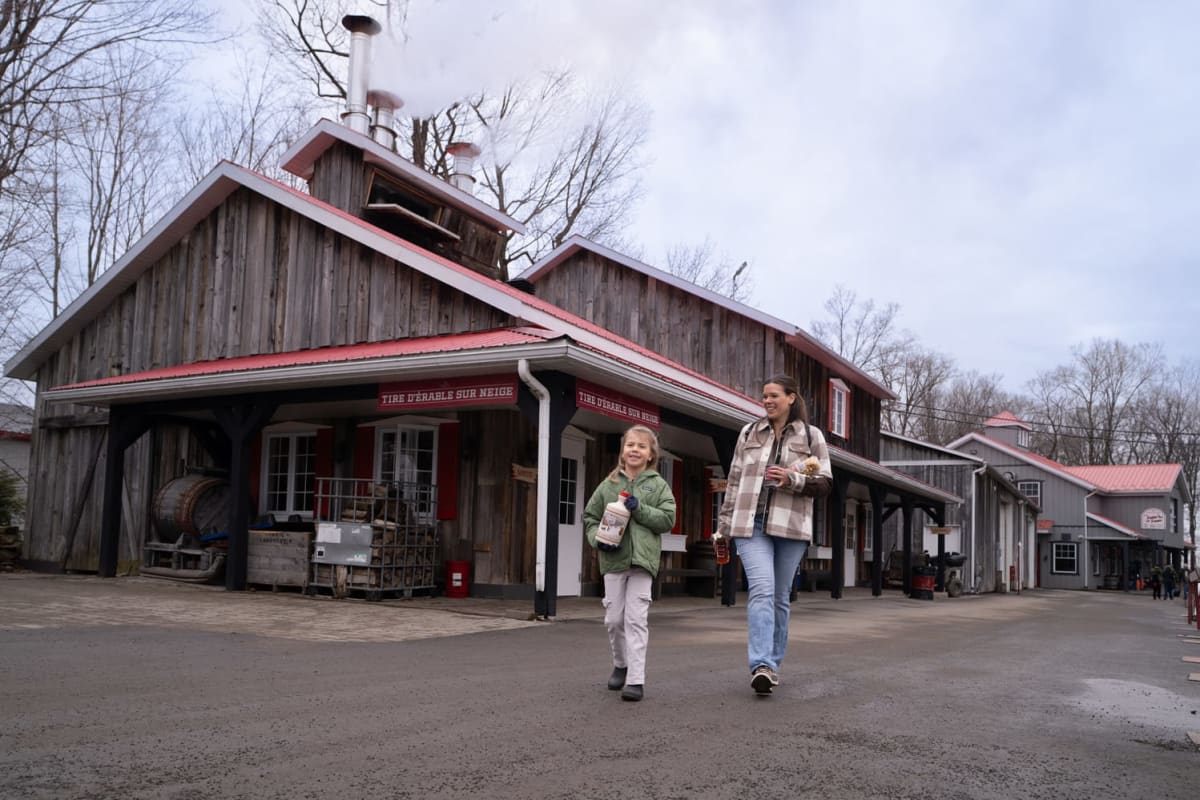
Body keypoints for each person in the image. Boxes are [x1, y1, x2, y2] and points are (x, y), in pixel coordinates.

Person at [716, 374, 832, 696]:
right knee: (762, 590)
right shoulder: (749, 432)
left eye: (774, 396)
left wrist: (792, 480)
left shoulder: (811, 436)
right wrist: (723, 527)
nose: (767, 401)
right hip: (750, 525)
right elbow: (735, 481)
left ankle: (773, 666)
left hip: (791, 528)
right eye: (764, 396)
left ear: (791, 398)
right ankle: (761, 665)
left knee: (781, 597)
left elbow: (825, 483)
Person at [583, 424, 677, 702]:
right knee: (614, 620)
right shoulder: (609, 484)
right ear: (623, 451)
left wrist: (641, 509)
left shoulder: (657, 485)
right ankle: (620, 664)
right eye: (630, 445)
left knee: (636, 619)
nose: (635, 450)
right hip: (613, 560)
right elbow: (590, 517)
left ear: (651, 454)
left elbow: (668, 519)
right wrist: (595, 538)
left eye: (641, 446)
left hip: (643, 563)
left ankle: (636, 680)